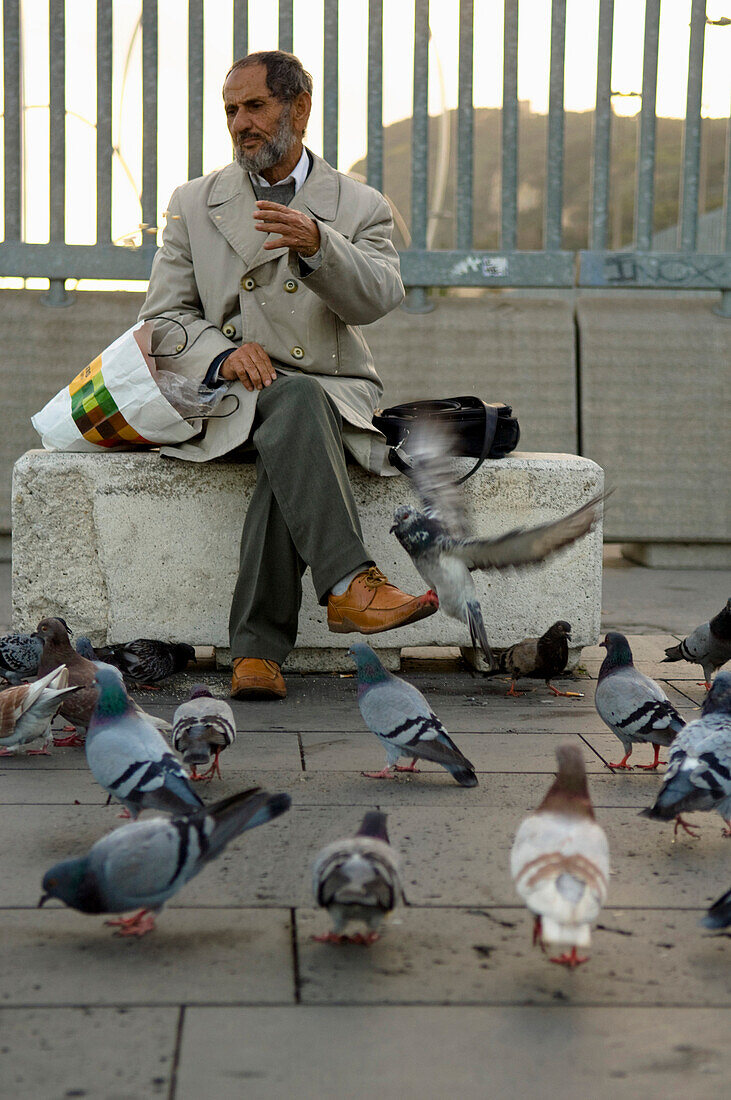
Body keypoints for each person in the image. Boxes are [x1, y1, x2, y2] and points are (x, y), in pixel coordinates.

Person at [139, 50, 436, 701]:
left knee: (296, 408)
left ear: (297, 107)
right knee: (288, 405)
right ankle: (351, 584)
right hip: (227, 394)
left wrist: (317, 244)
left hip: (334, 389)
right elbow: (162, 319)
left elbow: (379, 298)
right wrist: (221, 352)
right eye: (230, 110)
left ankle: (255, 655)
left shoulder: (357, 203)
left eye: (254, 106)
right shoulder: (195, 201)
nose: (240, 122)